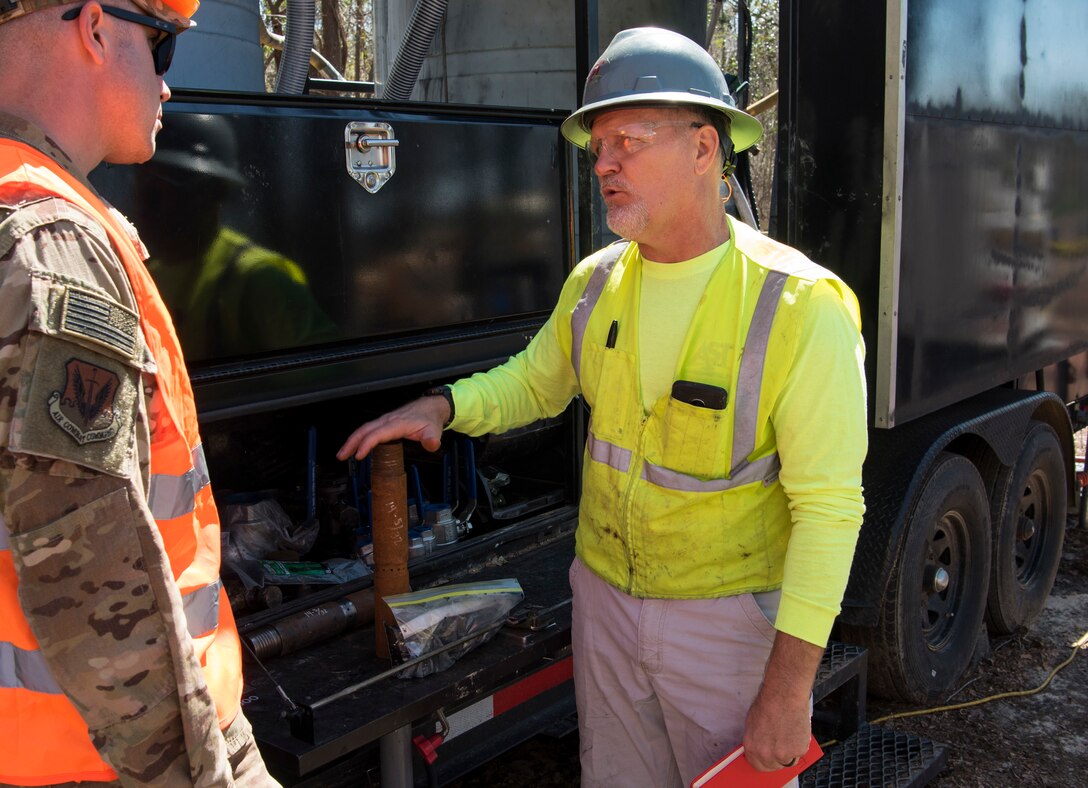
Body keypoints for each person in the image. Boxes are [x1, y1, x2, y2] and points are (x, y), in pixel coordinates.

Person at [338, 26, 867, 788]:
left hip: (728, 627)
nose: (606, 164)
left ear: (704, 149)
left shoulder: (798, 306)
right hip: (607, 606)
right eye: (599, 148)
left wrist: (787, 690)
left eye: (630, 139)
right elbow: (536, 381)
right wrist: (446, 407)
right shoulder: (595, 284)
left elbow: (829, 511)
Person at [0, 1, 278, 785]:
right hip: (101, 758)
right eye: (161, 47)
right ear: (94, 27)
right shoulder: (49, 242)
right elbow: (87, 572)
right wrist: (195, 772)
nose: (166, 87)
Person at [131, 112, 337, 361]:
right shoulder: (148, 271)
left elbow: (328, 375)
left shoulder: (261, 278)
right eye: (143, 189)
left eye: (158, 192)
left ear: (210, 197)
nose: (145, 208)